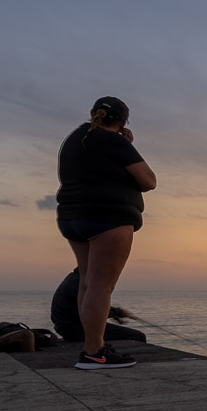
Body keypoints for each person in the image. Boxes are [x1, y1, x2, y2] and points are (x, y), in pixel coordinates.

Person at [55, 96, 156, 369]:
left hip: (71, 217)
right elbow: (149, 181)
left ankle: (93, 347)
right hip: (109, 218)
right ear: (123, 122)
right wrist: (126, 145)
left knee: (88, 282)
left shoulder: (74, 139)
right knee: (101, 286)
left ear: (92, 114)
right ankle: (94, 352)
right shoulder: (115, 142)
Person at [50, 267, 147, 344]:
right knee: (138, 336)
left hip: (66, 328)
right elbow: (93, 310)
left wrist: (116, 313)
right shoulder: (82, 283)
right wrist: (117, 312)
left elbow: (89, 306)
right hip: (77, 329)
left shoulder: (73, 279)